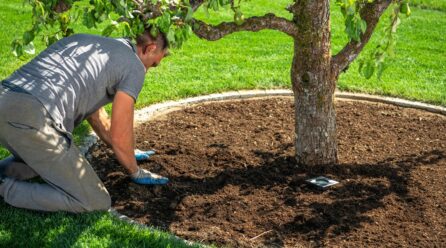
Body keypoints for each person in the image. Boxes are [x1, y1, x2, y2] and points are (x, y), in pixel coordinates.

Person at [0, 29, 170, 213]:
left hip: (7, 99)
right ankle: (4, 188)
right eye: (153, 64)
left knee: (39, 166)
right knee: (95, 201)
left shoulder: (87, 43)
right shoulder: (135, 66)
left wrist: (129, 150)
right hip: (32, 117)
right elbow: (121, 134)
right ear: (150, 48)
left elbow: (97, 117)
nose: (148, 70)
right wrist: (135, 171)